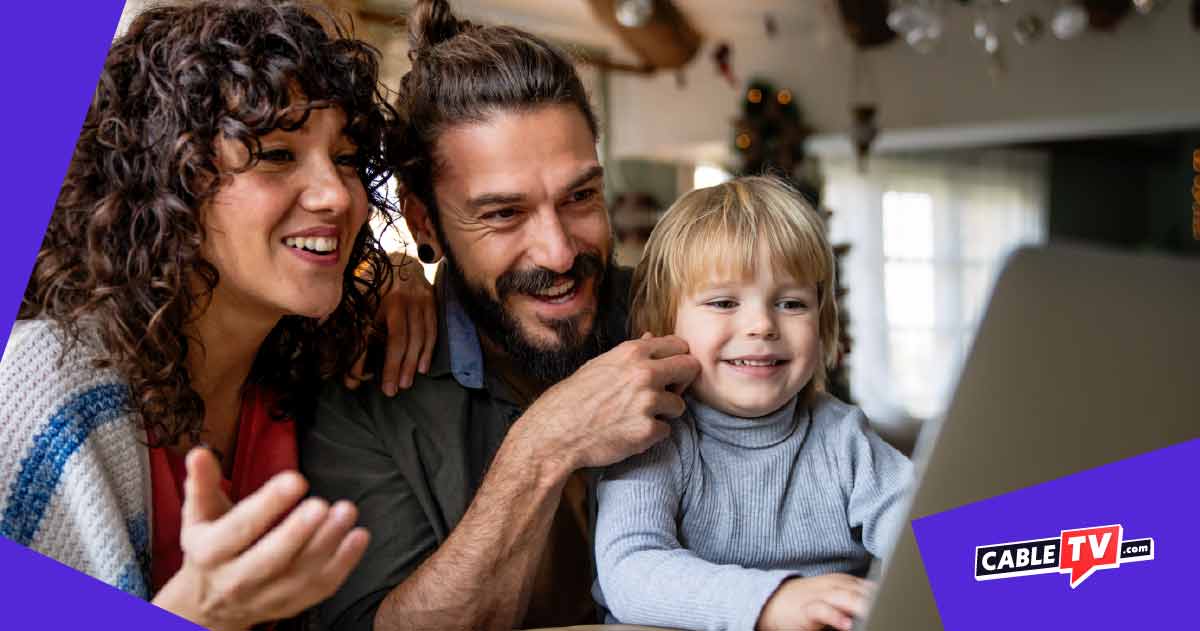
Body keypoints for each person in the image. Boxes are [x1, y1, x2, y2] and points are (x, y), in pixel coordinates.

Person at [0, 2, 431, 629]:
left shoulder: (308, 366)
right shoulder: (44, 389)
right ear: (167, 178)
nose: (337, 195)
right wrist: (194, 612)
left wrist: (403, 274)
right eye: (276, 154)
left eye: (345, 158)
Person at [300, 1, 701, 629]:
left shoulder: (690, 318)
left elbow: (845, 488)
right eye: (503, 214)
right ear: (424, 222)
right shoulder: (360, 392)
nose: (559, 253)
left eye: (580, 197)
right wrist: (544, 446)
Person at [593, 176, 913, 631]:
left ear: (822, 325)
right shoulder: (654, 437)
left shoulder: (844, 438)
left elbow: (932, 532)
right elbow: (631, 572)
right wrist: (773, 601)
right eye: (724, 302)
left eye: (791, 304)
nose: (762, 325)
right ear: (662, 324)